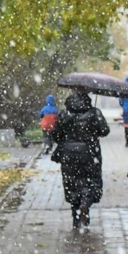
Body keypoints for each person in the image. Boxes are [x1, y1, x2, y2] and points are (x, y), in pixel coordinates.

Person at [50, 90, 110, 228]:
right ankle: (85, 203)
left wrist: (66, 141)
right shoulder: (94, 113)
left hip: (69, 155)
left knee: (71, 183)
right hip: (90, 153)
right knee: (91, 181)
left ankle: (76, 216)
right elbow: (105, 131)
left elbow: (56, 134)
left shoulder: (64, 114)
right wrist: (94, 128)